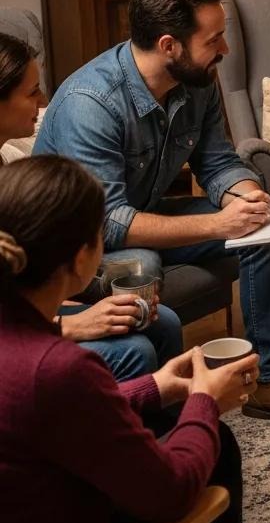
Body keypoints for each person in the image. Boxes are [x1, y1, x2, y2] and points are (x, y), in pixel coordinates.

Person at [0, 156, 269, 523]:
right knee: (216, 450)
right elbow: (171, 492)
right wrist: (205, 402)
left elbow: (45, 422)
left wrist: (157, 388)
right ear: (83, 260)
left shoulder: (30, 355)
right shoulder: (57, 368)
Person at [33, 0, 270, 431]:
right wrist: (221, 225)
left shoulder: (197, 80)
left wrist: (250, 198)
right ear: (169, 46)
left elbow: (218, 162)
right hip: (80, 243)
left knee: (260, 232)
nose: (224, 50)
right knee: (139, 263)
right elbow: (111, 224)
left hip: (141, 214)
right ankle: (157, 410)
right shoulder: (92, 102)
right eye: (215, 39)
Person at [0, 30, 183, 381]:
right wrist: (69, 325)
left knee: (164, 324)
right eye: (32, 91)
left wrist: (85, 311)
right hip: (14, 332)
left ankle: (162, 430)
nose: (43, 102)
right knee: (133, 350)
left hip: (23, 312)